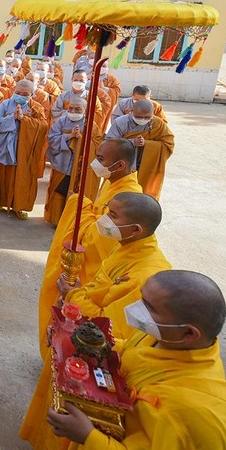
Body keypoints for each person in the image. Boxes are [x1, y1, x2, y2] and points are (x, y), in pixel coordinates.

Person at [20, 192, 171, 450]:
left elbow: (107, 327)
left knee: (72, 427)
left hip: (91, 348)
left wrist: (75, 299)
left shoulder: (145, 272)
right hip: (76, 325)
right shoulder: (125, 246)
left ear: (136, 229)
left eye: (112, 216)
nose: (103, 220)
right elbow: (97, 287)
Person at [49, 270, 226, 450]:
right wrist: (73, 337)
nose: (135, 308)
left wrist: (89, 437)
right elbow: (128, 353)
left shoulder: (191, 417)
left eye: (148, 307)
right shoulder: (168, 339)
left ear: (189, 333)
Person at [37, 139, 141, 357]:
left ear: (120, 165)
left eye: (101, 159)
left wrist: (79, 207)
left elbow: (98, 239)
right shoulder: (114, 182)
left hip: (94, 271)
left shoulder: (128, 195)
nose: (95, 163)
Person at [0, 79, 48, 220]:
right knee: (3, 174)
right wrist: (12, 118)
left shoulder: (36, 107)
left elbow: (44, 126)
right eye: (18, 92)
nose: (20, 96)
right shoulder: (6, 104)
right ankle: (0, 202)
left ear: (32, 94)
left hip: (25, 149)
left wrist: (25, 120)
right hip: (6, 147)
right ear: (14, 91)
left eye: (25, 93)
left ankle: (19, 206)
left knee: (22, 176)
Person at [44, 99, 103, 226]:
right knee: (59, 191)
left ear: (85, 111)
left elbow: (98, 143)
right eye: (70, 108)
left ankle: (72, 222)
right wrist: (69, 137)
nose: (73, 111)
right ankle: (56, 220)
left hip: (80, 167)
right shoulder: (60, 122)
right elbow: (51, 139)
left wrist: (81, 139)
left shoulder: (91, 125)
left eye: (78, 109)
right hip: (62, 164)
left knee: (75, 191)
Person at [106, 99, 175, 199]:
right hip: (124, 164)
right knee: (119, 195)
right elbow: (109, 143)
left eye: (147, 117)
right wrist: (132, 142)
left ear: (153, 113)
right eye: (138, 117)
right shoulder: (120, 122)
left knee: (142, 196)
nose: (142, 119)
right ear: (131, 111)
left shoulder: (157, 123)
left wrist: (146, 144)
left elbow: (168, 143)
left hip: (146, 165)